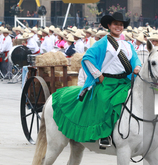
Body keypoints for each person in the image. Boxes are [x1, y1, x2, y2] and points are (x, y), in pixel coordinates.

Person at [51, 12, 141, 147]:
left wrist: (138, 66)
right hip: (107, 82)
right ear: (109, 25)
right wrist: (98, 75)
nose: (118, 27)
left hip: (124, 82)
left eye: (121, 24)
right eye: (116, 24)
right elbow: (88, 58)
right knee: (104, 100)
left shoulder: (128, 45)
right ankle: (104, 135)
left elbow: (135, 59)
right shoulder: (103, 42)